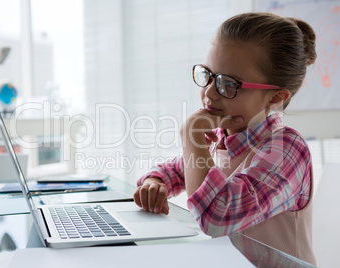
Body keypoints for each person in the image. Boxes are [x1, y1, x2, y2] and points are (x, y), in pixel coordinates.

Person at [133, 12, 317, 265]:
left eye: (229, 84)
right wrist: (155, 181)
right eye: (208, 75)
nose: (209, 92)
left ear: (275, 98)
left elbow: (216, 218)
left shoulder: (286, 149)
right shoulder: (219, 138)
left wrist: (192, 136)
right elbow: (175, 170)